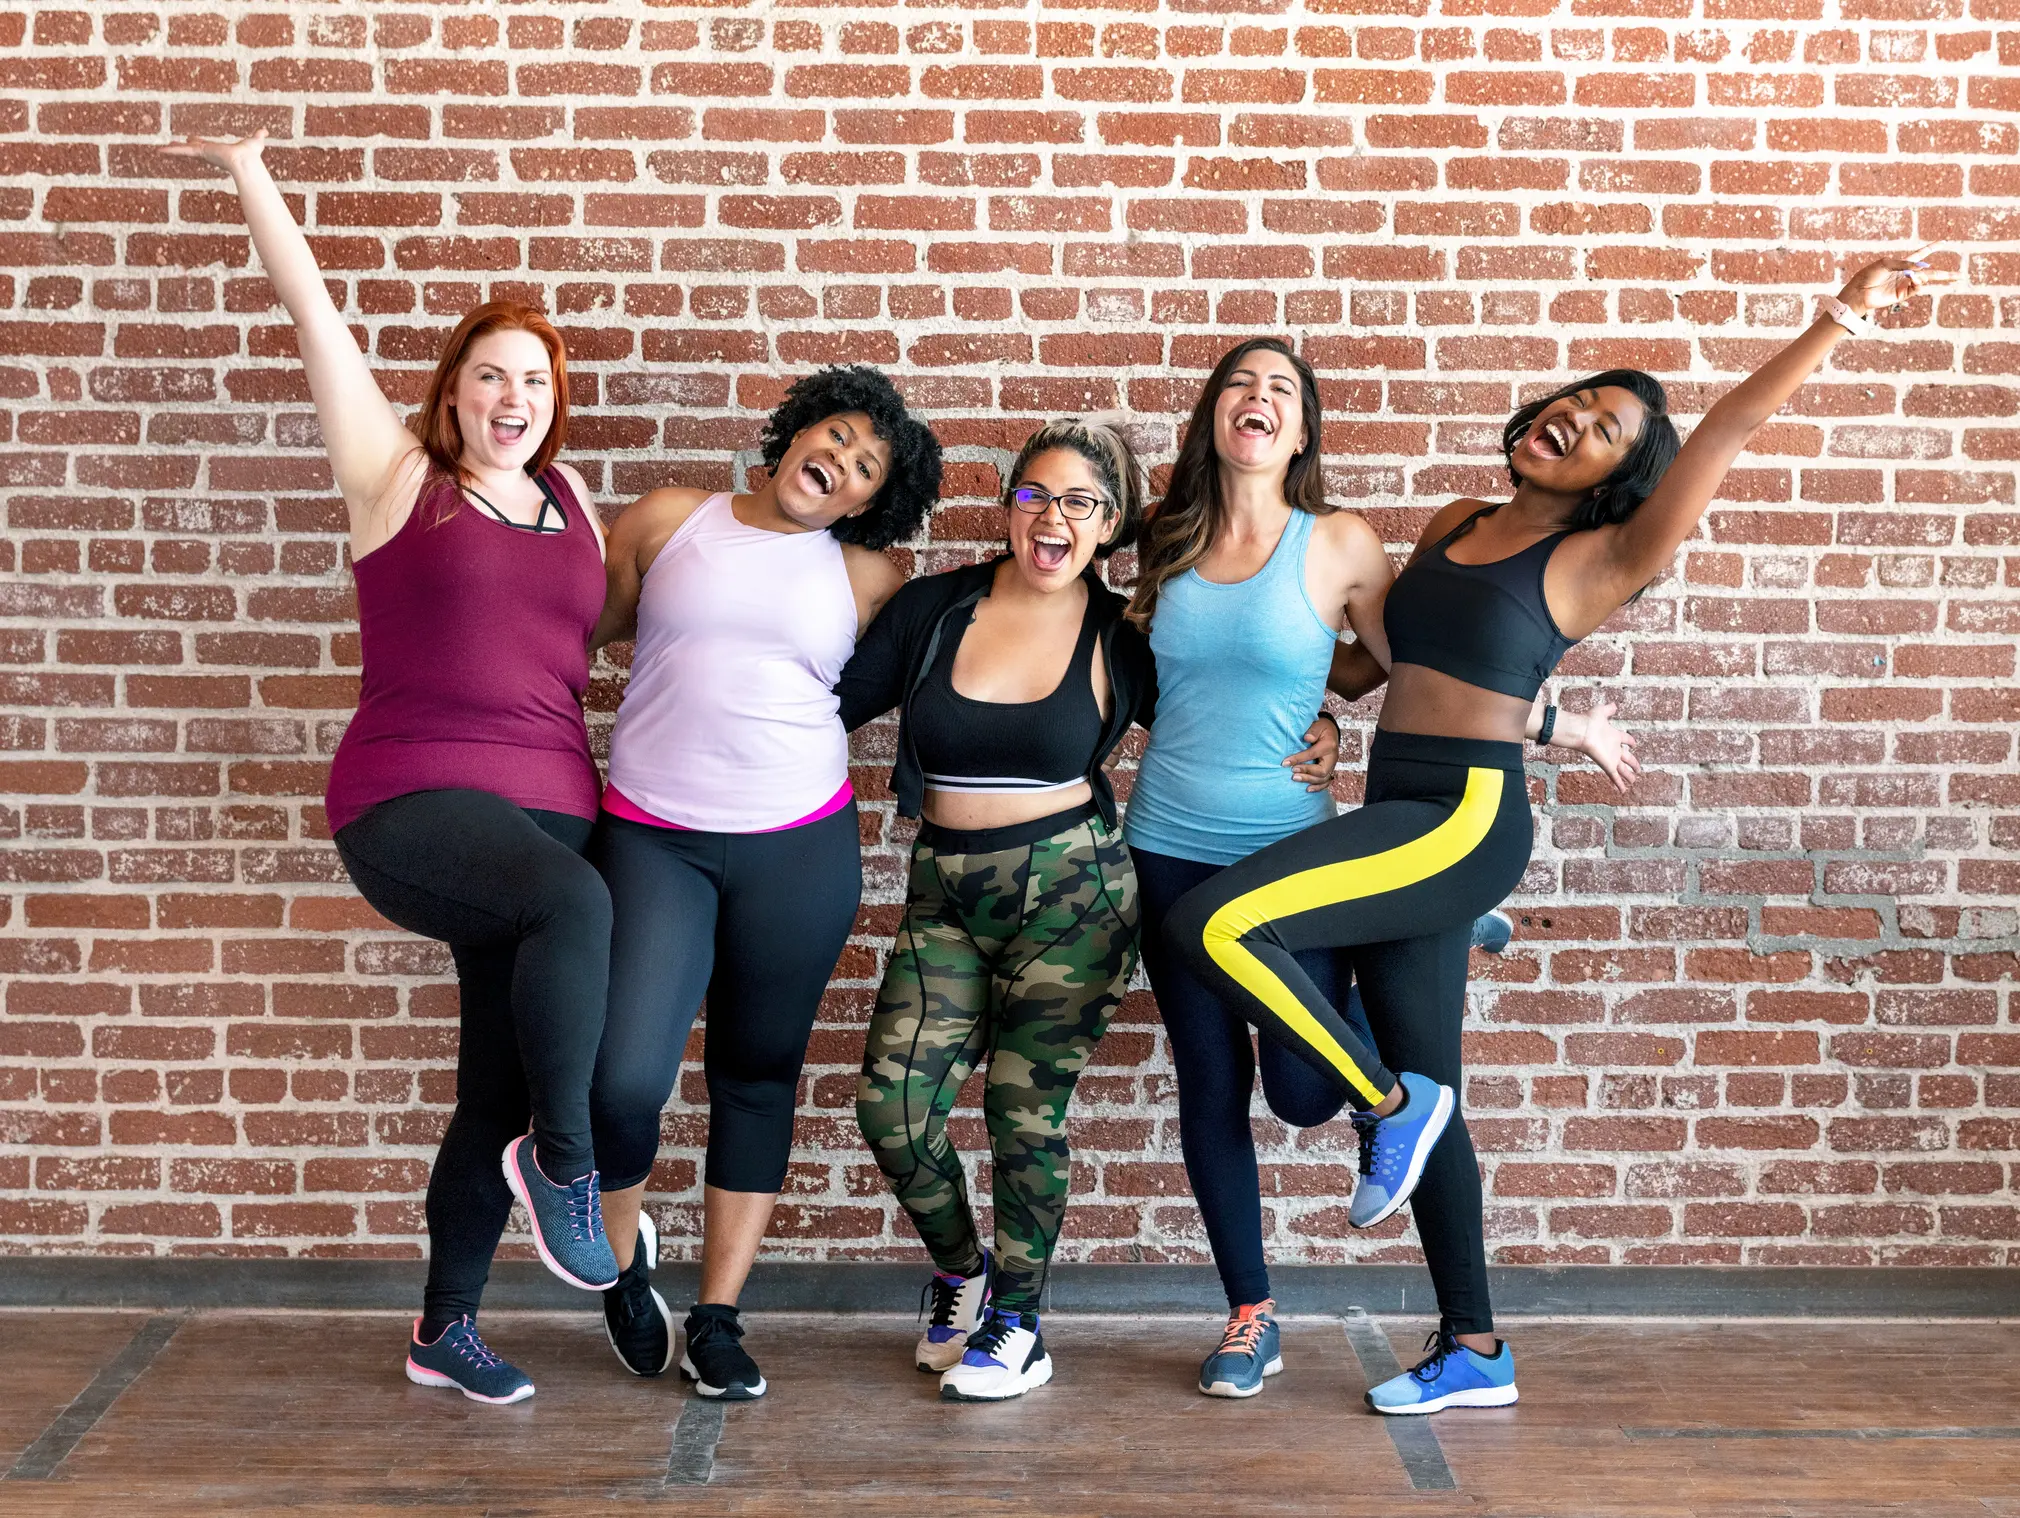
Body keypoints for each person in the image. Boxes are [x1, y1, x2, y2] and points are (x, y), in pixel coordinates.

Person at [1163, 249, 1946, 1415]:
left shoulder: (1599, 560)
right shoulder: (1453, 519)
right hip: (1393, 812)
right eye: (1573, 401)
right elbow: (1381, 664)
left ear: (1621, 481)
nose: (1572, 419)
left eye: (1607, 429)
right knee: (1436, 1089)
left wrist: (1836, 317)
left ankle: (1387, 1100)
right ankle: (1474, 1345)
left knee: (1217, 925)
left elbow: (1725, 434)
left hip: (1465, 814)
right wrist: (1321, 712)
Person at [160, 132, 621, 1406]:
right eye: (488, 376)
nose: (511, 396)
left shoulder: (575, 499)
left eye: (532, 378)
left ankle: (443, 1331)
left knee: (493, 1089)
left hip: (544, 824)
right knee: (577, 913)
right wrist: (252, 173)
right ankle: (569, 1168)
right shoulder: (396, 475)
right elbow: (311, 309)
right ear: (453, 391)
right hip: (414, 800)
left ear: (554, 399)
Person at [1124, 338, 1632, 1400]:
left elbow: (1424, 668)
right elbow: (1153, 677)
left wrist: (1555, 723)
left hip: (1284, 844)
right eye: (1238, 384)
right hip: (1168, 840)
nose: (1257, 400)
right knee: (1207, 1090)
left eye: (1282, 391)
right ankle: (1249, 1316)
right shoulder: (1162, 544)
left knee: (1305, 1095)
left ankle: (1427, 932)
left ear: (1302, 430)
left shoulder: (1343, 543)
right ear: (1211, 413)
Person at [837, 420, 1332, 1401]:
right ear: (1006, 503)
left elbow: (1221, 707)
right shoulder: (935, 608)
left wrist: (1316, 723)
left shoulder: (1123, 634)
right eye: (1034, 495)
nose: (1051, 518)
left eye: (1080, 503)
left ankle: (1019, 1325)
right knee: (891, 1108)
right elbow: (826, 702)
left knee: (1023, 1113)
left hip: (1073, 894)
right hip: (946, 889)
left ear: (1110, 527)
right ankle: (962, 1273)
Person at [587, 366, 941, 1400]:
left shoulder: (870, 576)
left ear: (871, 501)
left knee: (754, 1075)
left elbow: (951, 656)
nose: (841, 462)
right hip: (654, 837)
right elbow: (582, 640)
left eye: (868, 466)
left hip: (799, 847)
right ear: (792, 436)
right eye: (834, 437)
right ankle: (618, 1268)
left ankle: (718, 1318)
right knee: (622, 1080)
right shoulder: (667, 520)